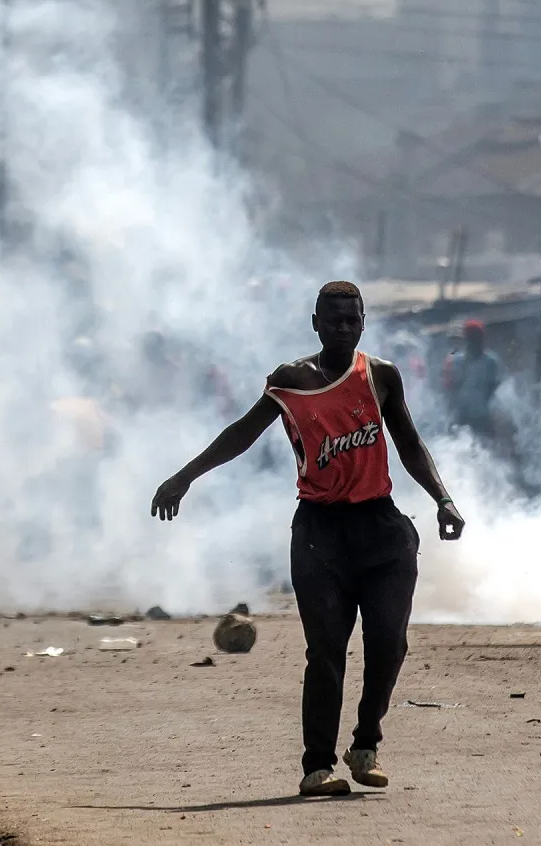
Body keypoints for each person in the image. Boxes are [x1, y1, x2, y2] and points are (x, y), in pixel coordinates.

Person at [151, 281, 465, 798]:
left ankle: (365, 744)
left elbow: (407, 440)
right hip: (321, 533)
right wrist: (184, 476)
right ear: (315, 323)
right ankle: (317, 765)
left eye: (353, 319)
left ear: (364, 322)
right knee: (326, 652)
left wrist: (443, 499)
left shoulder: (382, 375)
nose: (344, 327)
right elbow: (240, 434)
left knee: (388, 644)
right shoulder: (290, 381)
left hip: (382, 529)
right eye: (334, 319)